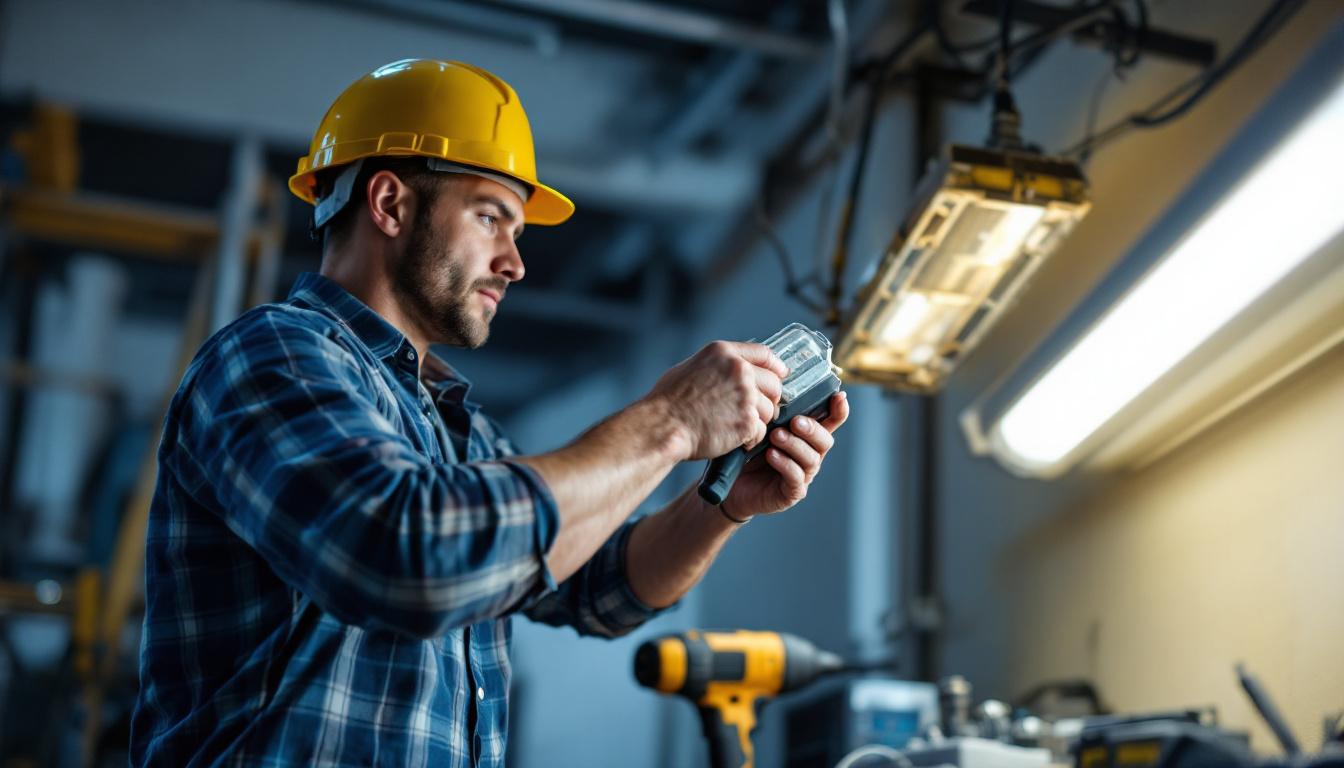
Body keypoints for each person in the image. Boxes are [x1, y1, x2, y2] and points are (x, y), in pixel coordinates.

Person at [130, 59, 849, 767]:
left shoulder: (458, 429)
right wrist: (672, 421)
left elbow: (604, 589)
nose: (515, 262)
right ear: (389, 204)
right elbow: (405, 558)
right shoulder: (272, 355)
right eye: (490, 218)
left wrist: (720, 507)